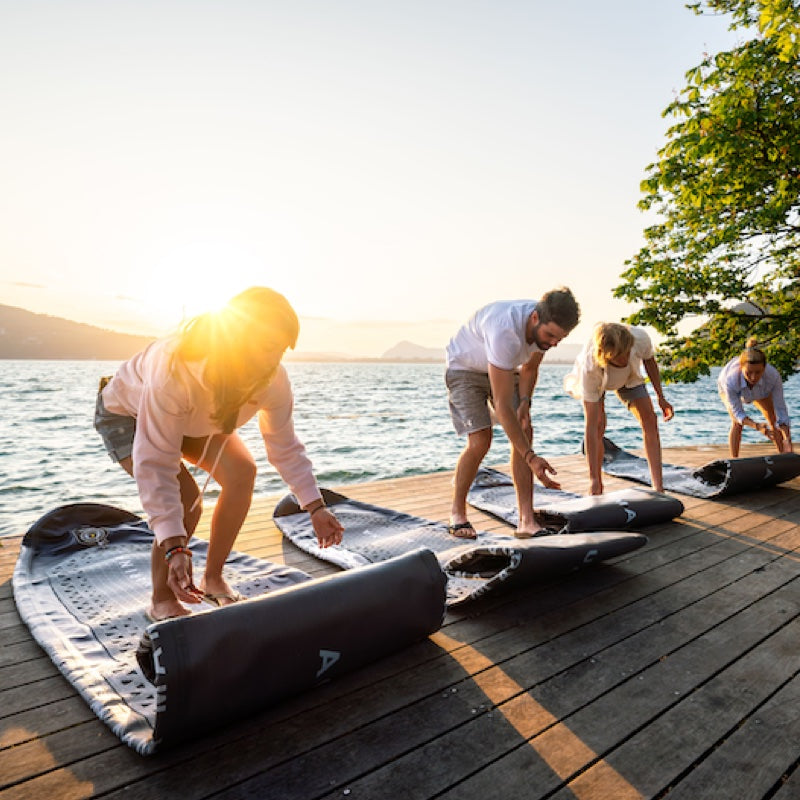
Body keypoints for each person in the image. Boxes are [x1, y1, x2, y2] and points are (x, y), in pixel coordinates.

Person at [94, 287, 344, 622]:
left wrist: (315, 505)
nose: (272, 362)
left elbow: (283, 445)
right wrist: (174, 545)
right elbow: (156, 463)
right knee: (185, 498)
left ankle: (213, 577)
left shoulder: (273, 379)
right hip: (127, 413)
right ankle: (163, 598)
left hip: (199, 416)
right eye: (265, 348)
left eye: (280, 351)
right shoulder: (174, 369)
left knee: (242, 472)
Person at [445, 288, 581, 539]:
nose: (552, 343)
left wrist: (526, 404)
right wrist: (531, 457)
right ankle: (457, 512)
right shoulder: (504, 331)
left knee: (524, 428)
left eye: (558, 340)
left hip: (503, 368)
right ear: (534, 319)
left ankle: (526, 521)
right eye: (550, 336)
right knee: (481, 439)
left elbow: (529, 369)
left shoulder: (545, 328)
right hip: (464, 369)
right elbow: (503, 404)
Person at [565, 322, 674, 495]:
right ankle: (597, 484)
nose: (623, 360)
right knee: (599, 424)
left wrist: (661, 397)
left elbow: (649, 362)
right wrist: (594, 481)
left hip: (630, 378)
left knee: (650, 420)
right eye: (618, 357)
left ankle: (658, 486)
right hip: (600, 380)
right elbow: (591, 427)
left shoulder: (640, 337)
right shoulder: (590, 367)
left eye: (625, 354)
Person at [717, 338, 793, 457]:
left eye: (758, 372)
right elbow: (738, 414)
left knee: (773, 419)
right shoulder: (730, 379)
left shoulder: (773, 376)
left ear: (764, 368)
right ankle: (734, 460)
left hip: (761, 391)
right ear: (741, 368)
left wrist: (787, 438)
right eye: (749, 372)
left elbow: (781, 410)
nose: (753, 377)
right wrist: (757, 426)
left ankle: (783, 455)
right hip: (730, 389)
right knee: (737, 423)